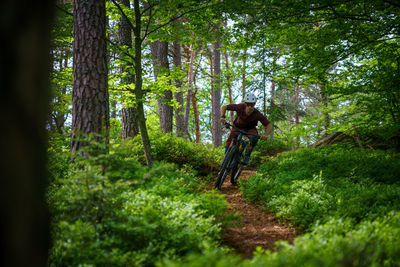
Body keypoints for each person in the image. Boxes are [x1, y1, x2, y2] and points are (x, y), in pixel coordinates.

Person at [220, 92, 272, 165]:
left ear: (254, 104)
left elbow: (269, 124)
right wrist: (222, 117)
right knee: (230, 140)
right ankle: (227, 156)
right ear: (245, 104)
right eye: (248, 104)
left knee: (254, 138)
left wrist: (266, 134)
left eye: (252, 104)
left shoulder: (257, 114)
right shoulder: (240, 107)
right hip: (237, 126)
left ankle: (247, 155)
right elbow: (224, 107)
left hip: (250, 129)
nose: (250, 106)